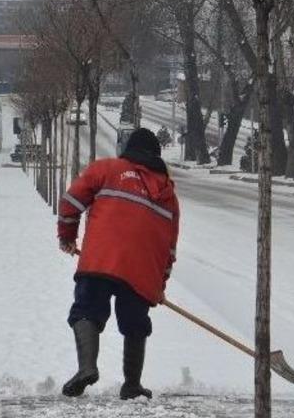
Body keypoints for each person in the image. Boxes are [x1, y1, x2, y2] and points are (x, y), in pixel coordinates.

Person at [56, 128, 180, 400]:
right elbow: (169, 248)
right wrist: (159, 284)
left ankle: (87, 368)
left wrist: (67, 236)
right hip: (142, 270)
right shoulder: (169, 195)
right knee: (135, 322)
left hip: (101, 259)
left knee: (87, 310)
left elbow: (71, 202)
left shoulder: (107, 169)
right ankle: (132, 384)